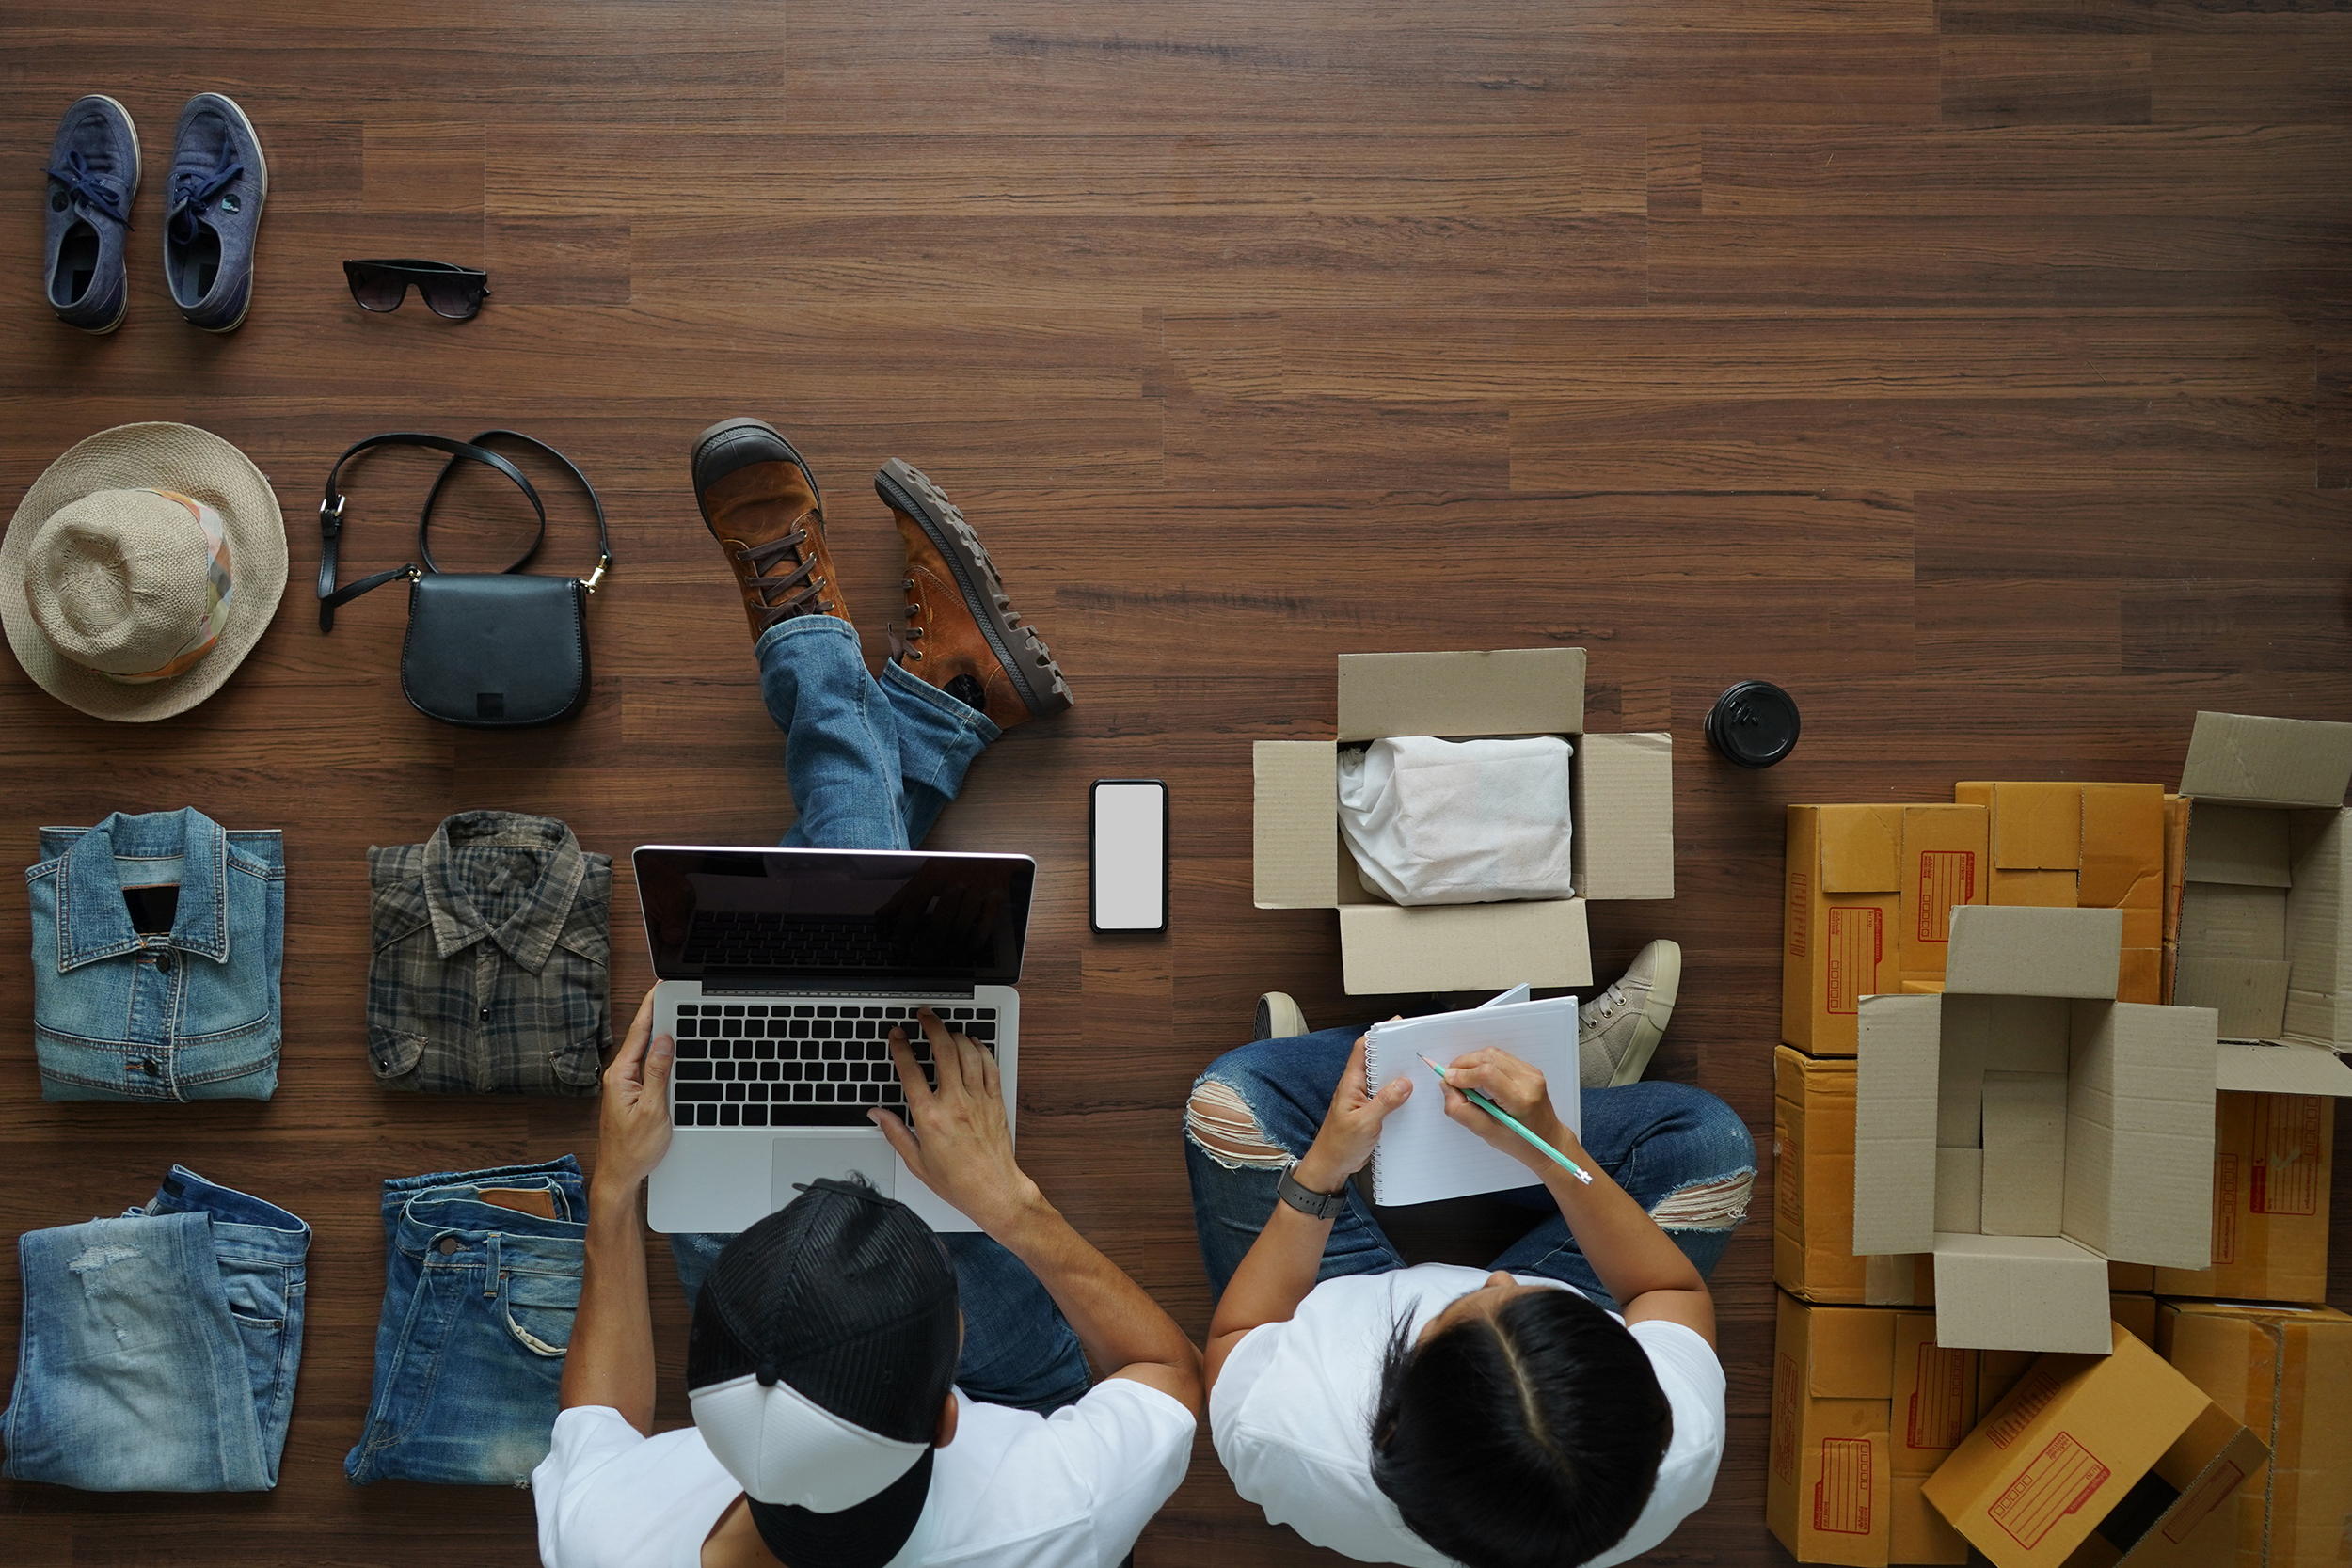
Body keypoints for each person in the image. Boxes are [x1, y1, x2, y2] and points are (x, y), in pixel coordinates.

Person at [531, 420, 1203, 1568]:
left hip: (802, 1346)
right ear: (951, 1421)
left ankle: (936, 702)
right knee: (853, 994)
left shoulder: (613, 1536)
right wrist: (1004, 1197)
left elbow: (592, 1429)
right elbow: (1164, 1376)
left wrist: (614, 1189)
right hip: (1006, 1365)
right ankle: (851, 666)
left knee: (782, 1005)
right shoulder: (1047, 1510)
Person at [1188, 947, 1753, 1568]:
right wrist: (1553, 1149)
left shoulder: (1287, 1429)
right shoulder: (1673, 1444)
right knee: (1710, 1145)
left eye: (1451, 1311)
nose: (1500, 1278)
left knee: (1234, 1102)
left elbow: (1242, 1331)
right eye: (1521, 1293)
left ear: (1389, 1425)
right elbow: (1667, 1292)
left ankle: (1331, 1105)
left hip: (1319, 1294)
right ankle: (1559, 1082)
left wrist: (1320, 1172)